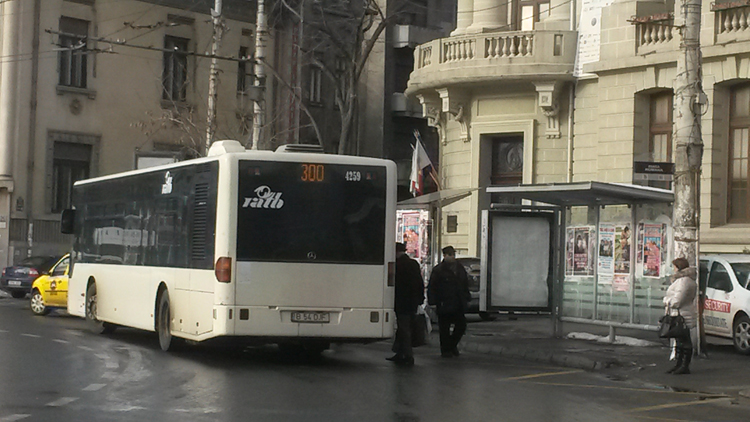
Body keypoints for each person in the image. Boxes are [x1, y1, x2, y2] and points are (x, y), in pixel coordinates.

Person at [428, 245, 470, 358]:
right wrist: (432, 302)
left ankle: (451, 345)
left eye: (453, 254)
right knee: (444, 328)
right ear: (444, 256)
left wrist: (466, 297)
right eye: (450, 255)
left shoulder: (459, 268)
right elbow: (432, 287)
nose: (452, 257)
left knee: (461, 326)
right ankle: (446, 350)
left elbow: (464, 283)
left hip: (458, 302)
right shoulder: (439, 270)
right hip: (444, 302)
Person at [387, 242, 424, 366]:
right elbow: (420, 282)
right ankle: (399, 352)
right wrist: (420, 298)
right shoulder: (413, 264)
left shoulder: (398, 265)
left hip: (401, 301)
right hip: (412, 301)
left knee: (404, 328)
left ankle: (408, 355)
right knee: (404, 327)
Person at [663, 257, 697, 375]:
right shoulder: (687, 280)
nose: (673, 269)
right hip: (683, 313)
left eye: (674, 267)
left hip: (681, 315)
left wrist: (667, 301)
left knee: (684, 341)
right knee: (681, 340)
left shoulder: (683, 281)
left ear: (679, 267)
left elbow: (677, 301)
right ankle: (679, 364)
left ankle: (683, 366)